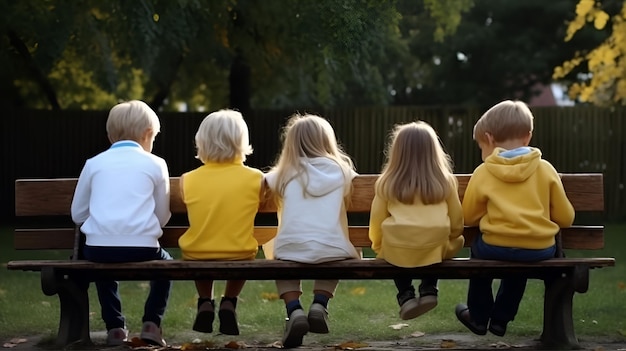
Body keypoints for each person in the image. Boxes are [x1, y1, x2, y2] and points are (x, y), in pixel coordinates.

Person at [456, 100, 575, 337]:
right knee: (520, 261)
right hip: (539, 249)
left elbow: (468, 216)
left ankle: (479, 316)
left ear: (489, 139)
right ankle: (501, 318)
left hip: (493, 247)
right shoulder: (546, 170)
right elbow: (566, 217)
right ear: (528, 136)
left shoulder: (484, 172)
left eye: (481, 146)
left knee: (478, 252)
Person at [70, 100, 172, 347]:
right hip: (144, 249)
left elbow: (77, 214)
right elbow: (163, 215)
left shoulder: (94, 163)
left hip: (98, 248)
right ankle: (151, 323)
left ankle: (115, 327)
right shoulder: (156, 163)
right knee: (166, 264)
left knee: (102, 261)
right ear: (148, 135)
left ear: (109, 135)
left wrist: (106, 225)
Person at [263, 114, 360, 348]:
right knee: (347, 247)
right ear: (327, 142)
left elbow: (262, 181)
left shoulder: (282, 174)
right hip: (332, 248)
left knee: (278, 252)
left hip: (291, 249)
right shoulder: (342, 171)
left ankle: (294, 310)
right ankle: (320, 303)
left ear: (291, 144)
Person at [178, 109, 264, 336]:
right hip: (239, 251)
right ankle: (229, 302)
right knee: (242, 252)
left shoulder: (188, 179)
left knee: (203, 248)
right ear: (241, 142)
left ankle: (205, 301)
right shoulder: (256, 178)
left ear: (202, 142)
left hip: (197, 253)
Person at [368, 121, 464, 320]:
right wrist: (452, 239)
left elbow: (376, 224)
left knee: (392, 245)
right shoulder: (445, 181)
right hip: (434, 246)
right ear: (433, 151)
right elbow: (456, 224)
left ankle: (406, 295)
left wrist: (379, 247)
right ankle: (429, 288)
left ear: (397, 152)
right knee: (444, 241)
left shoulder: (387, 183)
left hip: (398, 248)